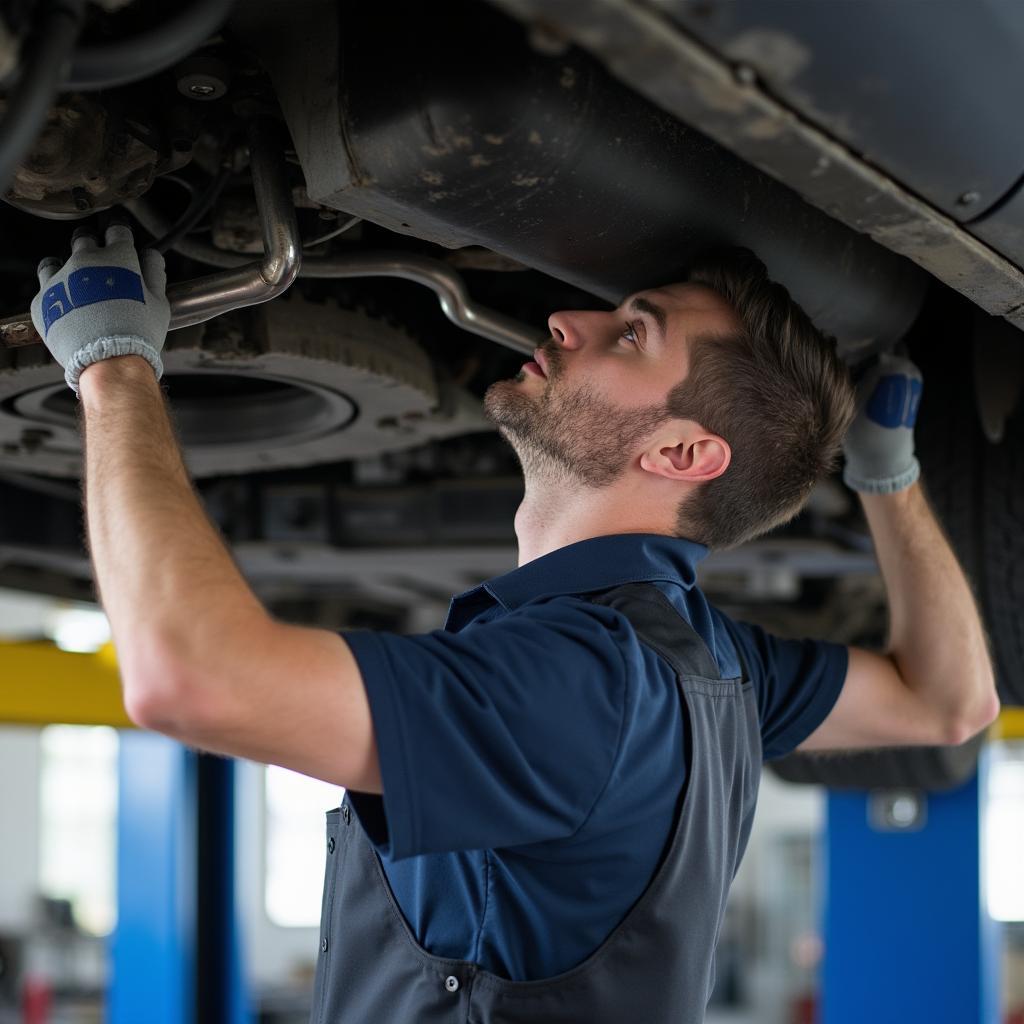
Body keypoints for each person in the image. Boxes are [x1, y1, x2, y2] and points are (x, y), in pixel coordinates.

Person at [32, 227, 999, 1023]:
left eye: (630, 335)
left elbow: (190, 678)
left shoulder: (586, 680)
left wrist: (114, 371)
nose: (567, 320)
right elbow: (949, 703)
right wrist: (890, 476)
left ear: (685, 451)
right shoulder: (714, 664)